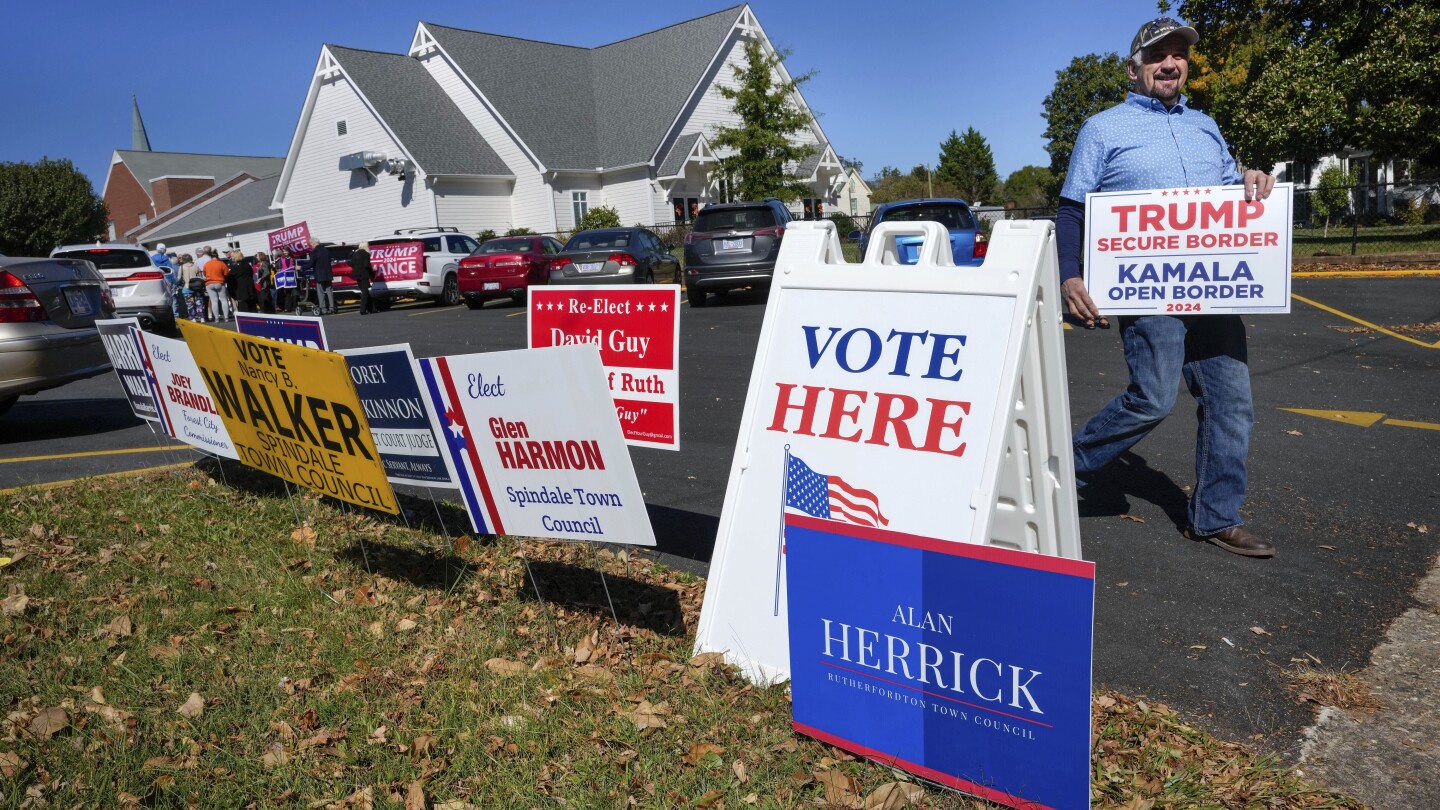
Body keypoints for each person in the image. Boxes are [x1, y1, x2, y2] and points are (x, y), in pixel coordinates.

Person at [1056, 16, 1276, 558]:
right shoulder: (1102, 128)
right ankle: (1059, 470)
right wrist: (1069, 274)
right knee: (1152, 399)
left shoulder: (1206, 126)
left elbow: (1229, 194)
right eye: (1158, 55)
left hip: (1215, 286)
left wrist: (1250, 178)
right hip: (1146, 289)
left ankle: (1216, 517)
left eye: (1178, 55)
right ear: (1135, 68)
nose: (1170, 63)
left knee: (1231, 401)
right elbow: (1071, 208)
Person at [201, 247, 232, 322]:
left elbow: (204, 273)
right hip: (220, 282)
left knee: (214, 301)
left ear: (210, 257)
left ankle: (216, 319)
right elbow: (226, 273)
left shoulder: (207, 264)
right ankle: (226, 317)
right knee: (224, 300)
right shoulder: (221, 263)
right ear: (217, 256)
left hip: (209, 283)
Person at [309, 239, 335, 315]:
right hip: (328, 274)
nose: (311, 246)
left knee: (320, 292)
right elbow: (330, 261)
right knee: (329, 291)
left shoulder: (314, 252)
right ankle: (332, 308)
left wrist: (301, 267)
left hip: (319, 275)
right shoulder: (326, 250)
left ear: (314, 243)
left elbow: (310, 264)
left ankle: (323, 309)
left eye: (311, 244)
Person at [229, 249, 258, 314]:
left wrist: (232, 293)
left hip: (241, 290)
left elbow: (231, 280)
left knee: (244, 311)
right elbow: (251, 274)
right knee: (252, 308)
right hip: (250, 289)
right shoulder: (248, 266)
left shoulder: (235, 268)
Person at [350, 242, 375, 314]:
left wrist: (357, 267)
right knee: (365, 292)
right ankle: (362, 310)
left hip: (356, 274)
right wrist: (372, 270)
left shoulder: (355, 254)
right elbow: (366, 265)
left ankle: (372, 309)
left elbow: (351, 263)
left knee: (365, 291)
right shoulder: (366, 254)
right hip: (364, 274)